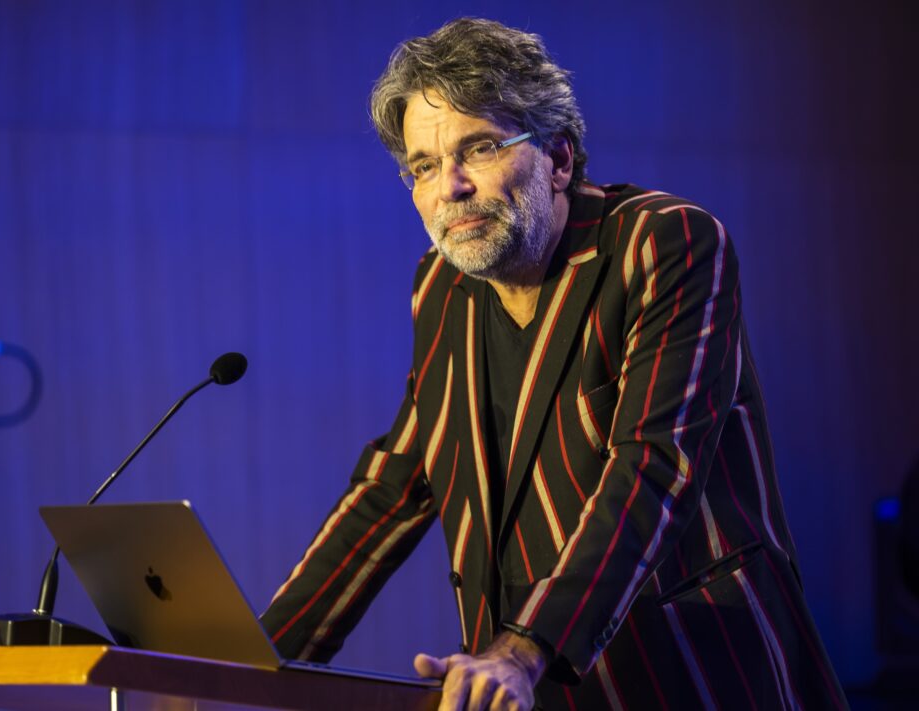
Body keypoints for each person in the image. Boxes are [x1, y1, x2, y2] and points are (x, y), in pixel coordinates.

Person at [262, 17, 847, 710]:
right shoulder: (441, 288)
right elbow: (396, 487)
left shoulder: (664, 245)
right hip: (534, 686)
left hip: (694, 672)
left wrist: (521, 649)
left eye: (479, 148)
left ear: (559, 159)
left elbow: (655, 467)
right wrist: (247, 659)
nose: (450, 187)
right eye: (424, 166)